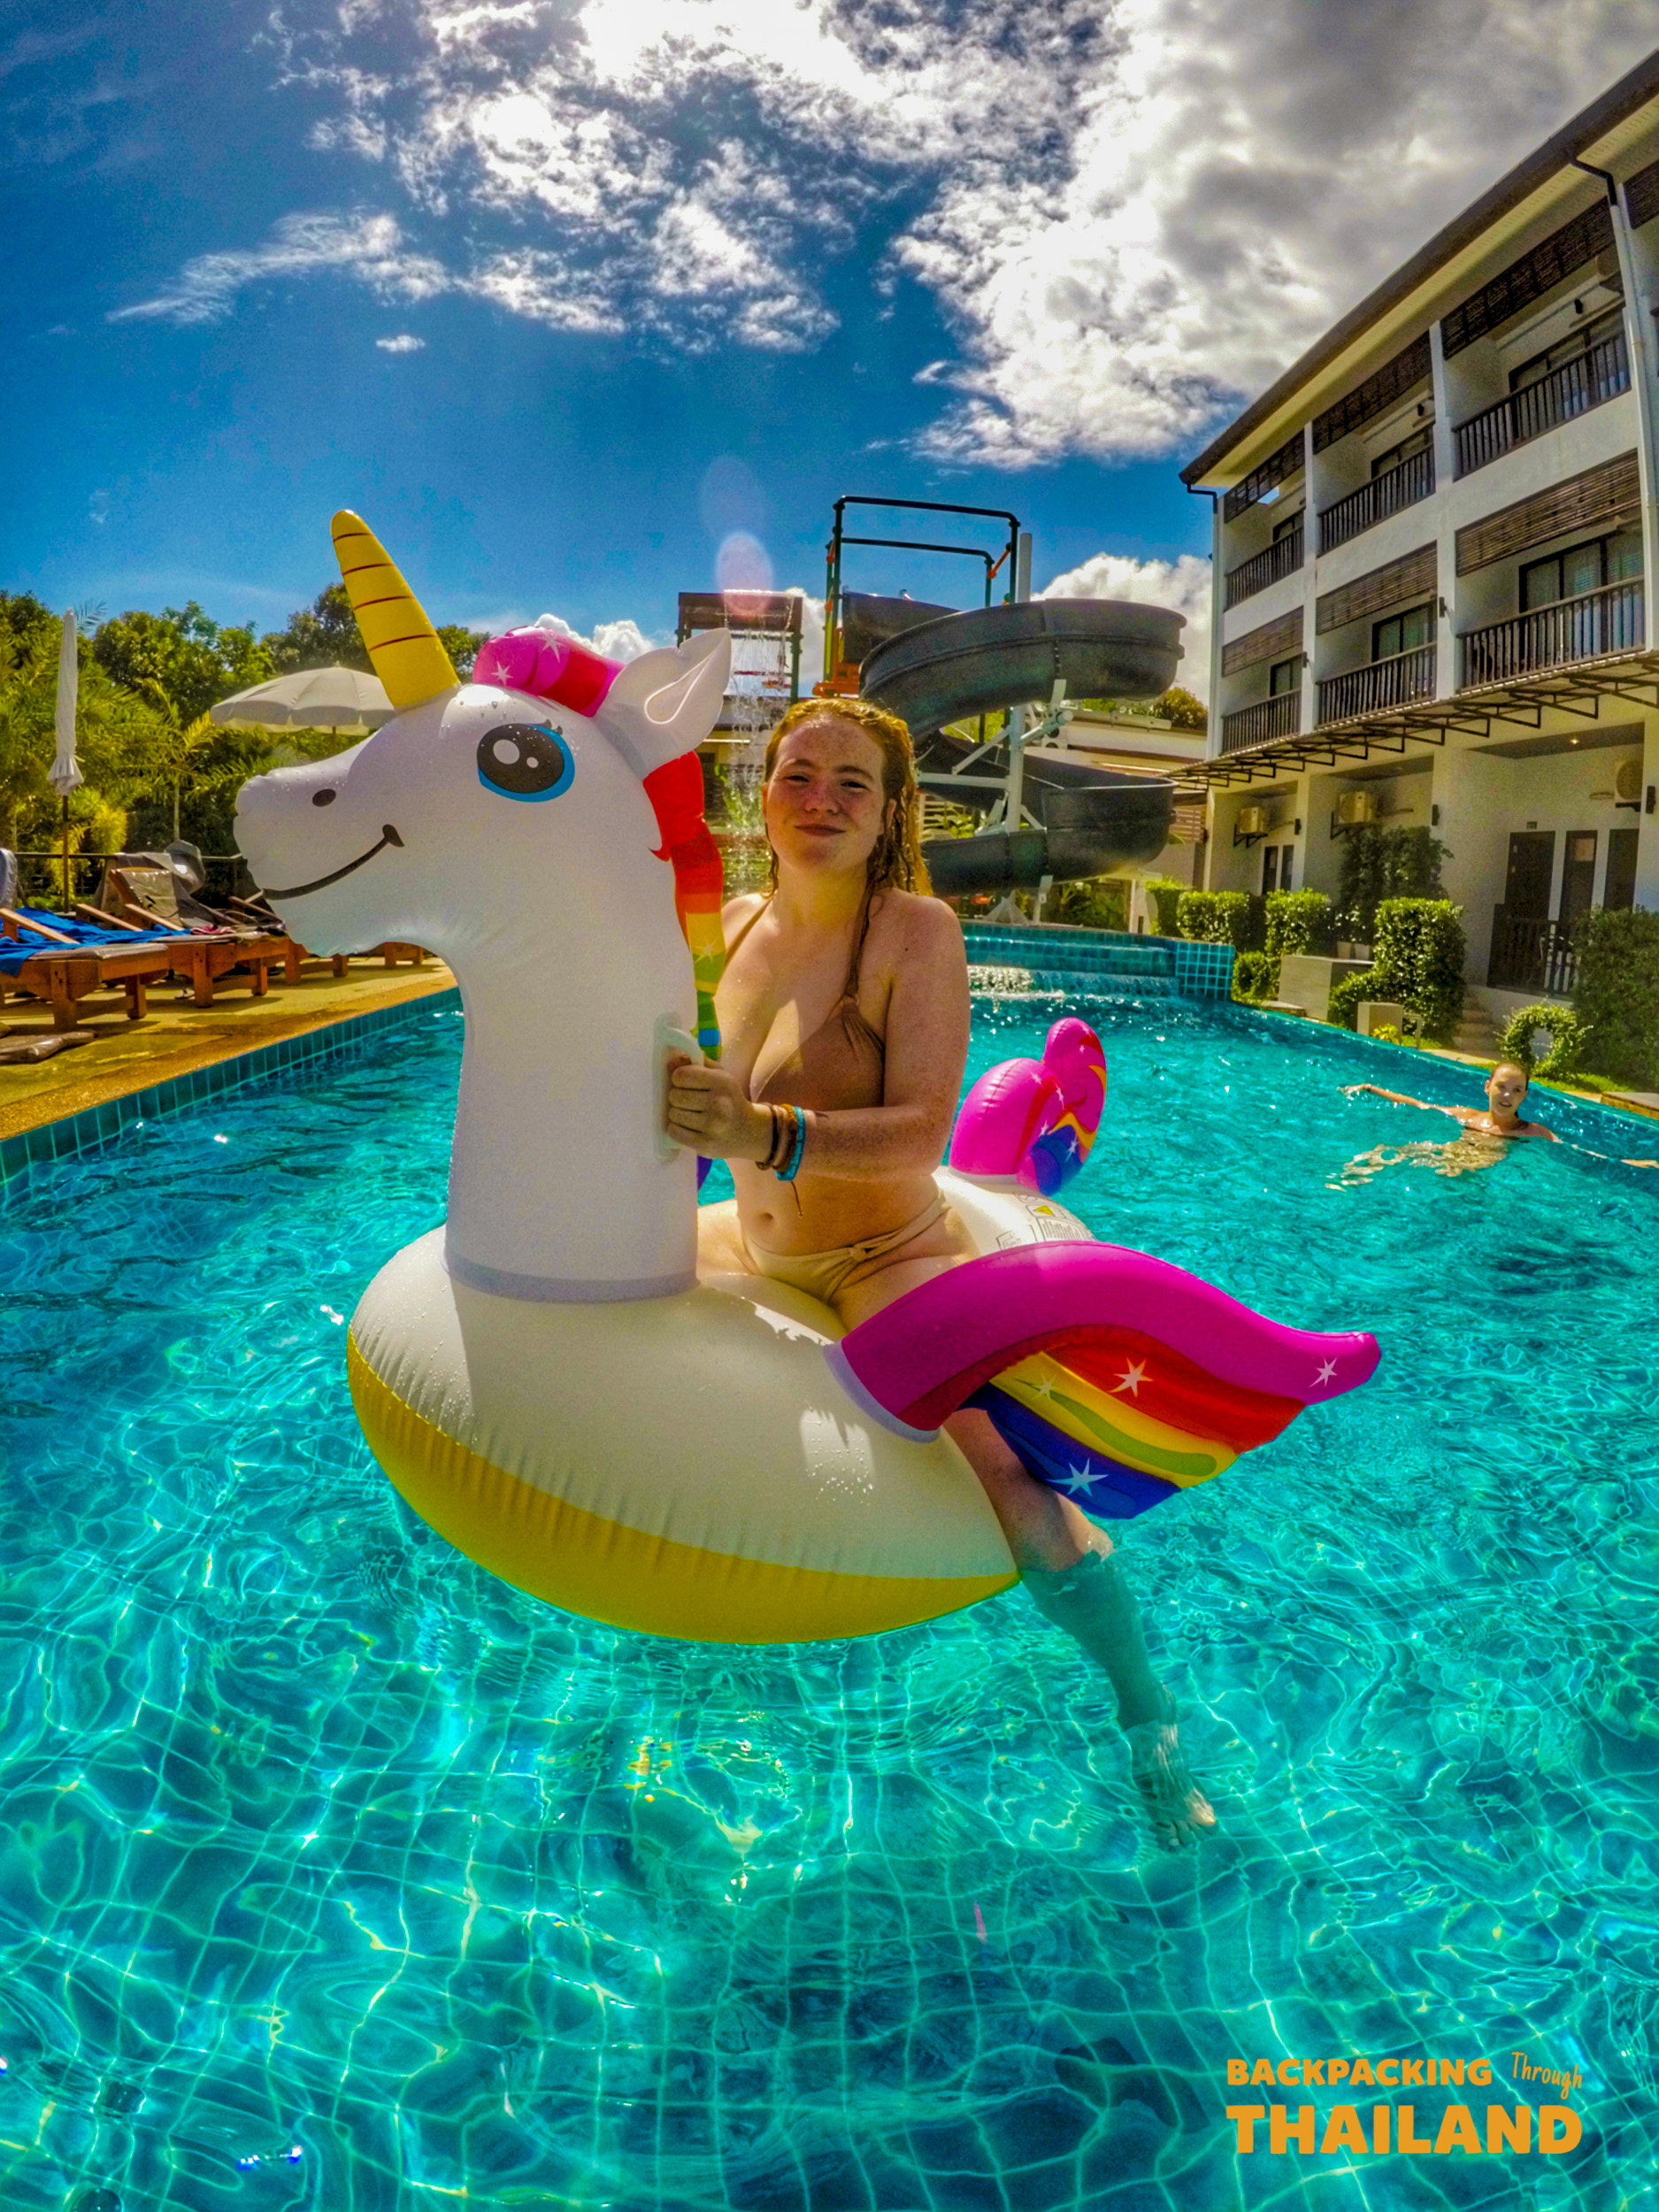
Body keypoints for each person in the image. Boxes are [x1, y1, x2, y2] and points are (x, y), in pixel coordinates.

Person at [664, 695, 1215, 1847]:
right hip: (755, 1244)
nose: (818, 800)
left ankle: (1146, 1721)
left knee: (1009, 1486)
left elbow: (918, 1131)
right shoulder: (738, 919)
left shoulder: (913, 931)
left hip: (881, 1257)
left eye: (849, 784)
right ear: (760, 795)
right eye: (795, 775)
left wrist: (762, 1135)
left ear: (888, 812)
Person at [1337, 1062, 1656, 1183]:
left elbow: (1580, 1154)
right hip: (1446, 1157)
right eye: (1502, 1086)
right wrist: (1370, 1088)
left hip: (1474, 1177)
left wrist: (1635, 1163)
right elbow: (1420, 1104)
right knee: (1392, 1151)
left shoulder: (1532, 1132)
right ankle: (1356, 1175)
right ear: (1487, 1087)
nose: (1507, 1095)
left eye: (1516, 1090)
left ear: (1524, 1097)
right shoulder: (1468, 1116)